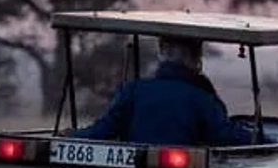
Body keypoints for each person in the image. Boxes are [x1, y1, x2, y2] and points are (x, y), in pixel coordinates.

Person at [72, 36, 254, 146]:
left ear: (161, 53)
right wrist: (261, 139)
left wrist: (71, 136)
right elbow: (223, 134)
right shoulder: (202, 99)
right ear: (196, 57)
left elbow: (102, 131)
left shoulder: (133, 91)